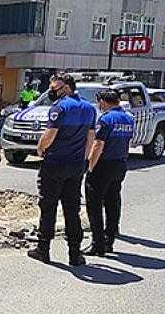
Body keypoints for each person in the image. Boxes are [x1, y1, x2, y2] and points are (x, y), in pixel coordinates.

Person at [28, 73, 97, 266]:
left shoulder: (60, 107)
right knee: (72, 209)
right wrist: (84, 160)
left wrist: (40, 148)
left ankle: (43, 249)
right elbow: (90, 138)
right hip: (76, 165)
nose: (51, 92)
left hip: (55, 164)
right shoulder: (89, 108)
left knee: (48, 206)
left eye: (54, 88)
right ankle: (75, 254)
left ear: (66, 88)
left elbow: (50, 135)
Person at [83, 90, 134, 257]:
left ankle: (97, 244)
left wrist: (90, 166)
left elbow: (98, 145)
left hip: (103, 165)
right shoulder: (129, 118)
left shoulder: (106, 119)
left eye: (99, 103)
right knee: (113, 203)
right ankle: (108, 241)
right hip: (120, 164)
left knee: (95, 205)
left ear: (103, 102)